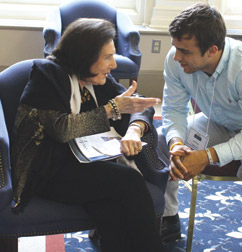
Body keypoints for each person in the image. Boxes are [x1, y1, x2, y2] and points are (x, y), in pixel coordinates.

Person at [11, 18, 165, 252]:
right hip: (47, 169)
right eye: (107, 57)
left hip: (85, 160)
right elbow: (63, 130)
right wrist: (112, 108)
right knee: (129, 180)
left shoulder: (95, 77)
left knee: (112, 210)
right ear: (84, 56)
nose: (113, 64)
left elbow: (137, 104)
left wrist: (135, 128)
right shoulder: (47, 75)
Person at [157, 3, 242, 251]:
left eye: (185, 51)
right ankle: (168, 216)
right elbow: (173, 110)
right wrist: (177, 142)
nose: (176, 57)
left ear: (212, 50)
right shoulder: (176, 59)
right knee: (160, 139)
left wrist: (208, 155)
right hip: (218, 123)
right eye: (175, 48)